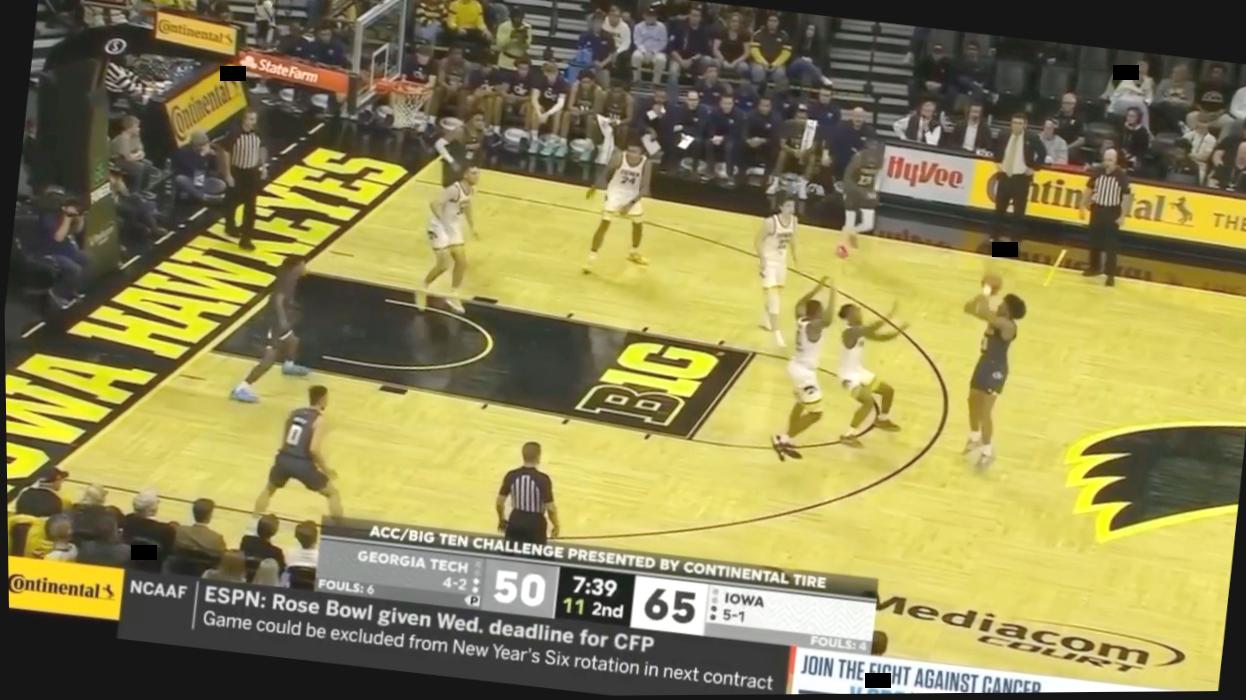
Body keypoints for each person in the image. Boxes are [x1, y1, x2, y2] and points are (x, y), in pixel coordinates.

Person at [251, 385, 344, 519]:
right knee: (333, 494)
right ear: (323, 399)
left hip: (284, 458)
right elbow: (313, 449)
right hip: (302, 464)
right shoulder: (319, 420)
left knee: (268, 490)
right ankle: (339, 529)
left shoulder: (293, 413)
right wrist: (326, 470)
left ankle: (253, 523)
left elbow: (285, 440)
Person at [230, 256, 311, 402]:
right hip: (274, 323)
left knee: (293, 341)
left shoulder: (288, 274)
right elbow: (277, 300)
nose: (306, 268)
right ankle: (241, 388)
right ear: (297, 266)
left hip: (279, 320)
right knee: (269, 359)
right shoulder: (288, 279)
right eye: (304, 265)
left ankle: (288, 366)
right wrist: (282, 320)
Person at [771, 277, 836, 461]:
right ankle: (782, 439)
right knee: (816, 413)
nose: (822, 315)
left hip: (797, 366)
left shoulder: (802, 319)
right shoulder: (814, 326)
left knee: (800, 403)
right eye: (820, 312)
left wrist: (818, 288)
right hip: (805, 374)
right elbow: (829, 319)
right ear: (816, 314)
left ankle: (787, 438)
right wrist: (833, 291)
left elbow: (800, 304)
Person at [962, 283, 1025, 470]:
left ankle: (988, 451)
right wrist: (980, 296)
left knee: (985, 411)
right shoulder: (996, 318)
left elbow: (984, 312)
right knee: (972, 401)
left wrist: (987, 291)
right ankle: (974, 437)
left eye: (1003, 304)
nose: (1000, 305)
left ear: (1009, 310)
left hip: (996, 370)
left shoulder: (1008, 325)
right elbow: (969, 308)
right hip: (983, 364)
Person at [835, 303, 905, 447]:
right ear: (849, 316)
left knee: (888, 391)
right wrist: (890, 314)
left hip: (859, 372)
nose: (860, 313)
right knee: (868, 402)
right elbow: (873, 328)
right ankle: (848, 435)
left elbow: (880, 337)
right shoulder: (849, 332)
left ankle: (882, 420)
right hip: (848, 377)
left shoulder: (859, 330)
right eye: (857, 311)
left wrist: (897, 333)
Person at [584, 139, 652, 273]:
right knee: (604, 223)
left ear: (642, 153)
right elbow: (605, 173)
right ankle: (590, 259)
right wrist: (595, 186)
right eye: (629, 151)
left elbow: (645, 189)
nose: (631, 154)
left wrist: (629, 205)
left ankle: (633, 252)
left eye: (635, 152)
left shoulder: (646, 163)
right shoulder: (619, 157)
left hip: (632, 195)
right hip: (615, 192)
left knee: (638, 224)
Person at [421, 166, 480, 312]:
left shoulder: (471, 190)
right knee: (443, 265)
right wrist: (443, 222)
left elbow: (467, 206)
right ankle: (423, 287)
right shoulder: (454, 189)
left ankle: (453, 295)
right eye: (473, 173)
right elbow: (434, 203)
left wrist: (472, 227)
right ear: (465, 175)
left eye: (478, 173)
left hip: (453, 227)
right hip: (439, 227)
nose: (477, 176)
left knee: (462, 262)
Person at [1079, 148, 1132, 287]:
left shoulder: (1121, 176)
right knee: (1094, 240)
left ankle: (1110, 275)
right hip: (1097, 209)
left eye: (1110, 160)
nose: (1107, 162)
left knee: (1111, 245)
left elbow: (1126, 198)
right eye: (1106, 159)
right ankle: (1094, 267)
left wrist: (1122, 216)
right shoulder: (1097, 172)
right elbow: (1089, 189)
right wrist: (1082, 206)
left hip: (1112, 211)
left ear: (1116, 161)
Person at [216, 111, 268, 251]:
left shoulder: (258, 133)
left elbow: (262, 148)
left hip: (252, 172)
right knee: (231, 201)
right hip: (237, 171)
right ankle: (229, 225)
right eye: (250, 119)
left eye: (254, 119)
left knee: (251, 207)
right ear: (244, 120)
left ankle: (246, 239)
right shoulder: (234, 134)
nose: (253, 122)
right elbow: (225, 152)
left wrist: (263, 166)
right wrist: (228, 174)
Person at [991, 113, 1045, 241]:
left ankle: (1014, 241)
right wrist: (997, 161)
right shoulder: (1004, 134)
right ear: (1011, 124)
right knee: (999, 210)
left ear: (1025, 125)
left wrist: (1034, 168)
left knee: (1018, 213)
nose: (1016, 126)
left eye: (1020, 123)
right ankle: (994, 238)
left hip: (1021, 179)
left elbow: (1042, 152)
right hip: (1005, 177)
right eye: (1014, 123)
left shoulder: (1031, 137)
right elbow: (995, 148)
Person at [496, 442, 560, 544]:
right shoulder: (543, 479)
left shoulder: (511, 475)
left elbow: (499, 503)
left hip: (516, 519)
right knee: (536, 552)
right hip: (535, 522)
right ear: (538, 457)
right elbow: (551, 509)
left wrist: (501, 519)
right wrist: (556, 525)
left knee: (511, 551)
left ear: (523, 455)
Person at [756, 194, 798, 347]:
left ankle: (765, 317)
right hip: (769, 263)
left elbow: (792, 239)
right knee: (774, 296)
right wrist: (762, 260)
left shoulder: (794, 221)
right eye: (788, 206)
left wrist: (796, 256)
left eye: (792, 206)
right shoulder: (770, 222)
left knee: (776, 294)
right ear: (780, 207)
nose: (791, 209)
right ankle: (776, 332)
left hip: (781, 262)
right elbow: (757, 241)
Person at [766, 103, 818, 205]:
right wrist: (793, 151)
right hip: (790, 152)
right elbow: (782, 144)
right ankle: (775, 183)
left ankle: (803, 187)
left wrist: (803, 153)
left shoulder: (811, 127)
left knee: (812, 158)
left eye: (803, 118)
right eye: (799, 117)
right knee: (782, 153)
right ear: (795, 116)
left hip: (804, 154)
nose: (801, 120)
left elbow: (814, 146)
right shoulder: (788, 124)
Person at [841, 140, 884, 245]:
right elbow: (847, 179)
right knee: (849, 223)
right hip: (852, 192)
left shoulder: (881, 160)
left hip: (866, 192)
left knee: (868, 225)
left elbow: (877, 178)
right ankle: (843, 244)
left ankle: (851, 234)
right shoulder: (858, 158)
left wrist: (875, 192)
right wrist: (859, 192)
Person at [109, 115, 160, 196]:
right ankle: (134, 193)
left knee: (148, 164)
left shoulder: (135, 136)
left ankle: (143, 190)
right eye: (136, 127)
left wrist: (139, 154)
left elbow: (140, 149)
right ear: (129, 128)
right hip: (117, 161)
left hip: (131, 158)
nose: (138, 129)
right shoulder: (122, 139)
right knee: (139, 167)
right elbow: (128, 158)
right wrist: (138, 155)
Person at [172, 131, 227, 204]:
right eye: (202, 145)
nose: (205, 147)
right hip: (188, 180)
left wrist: (214, 157)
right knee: (180, 179)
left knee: (221, 185)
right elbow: (198, 178)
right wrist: (202, 157)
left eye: (206, 144)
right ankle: (204, 197)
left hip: (200, 182)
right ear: (194, 146)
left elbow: (215, 173)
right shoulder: (184, 153)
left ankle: (195, 195)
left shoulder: (208, 151)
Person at [667, 4, 712, 88]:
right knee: (673, 71)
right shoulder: (680, 27)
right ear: (689, 16)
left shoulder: (704, 31)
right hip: (678, 58)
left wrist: (691, 60)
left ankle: (700, 88)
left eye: (697, 16)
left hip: (694, 60)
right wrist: (681, 61)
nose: (694, 18)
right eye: (693, 15)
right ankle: (672, 95)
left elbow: (705, 51)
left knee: (707, 60)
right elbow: (670, 47)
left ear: (700, 18)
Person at [527, 61, 568, 155]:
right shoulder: (539, 80)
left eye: (553, 73)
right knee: (535, 109)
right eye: (549, 73)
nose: (551, 76)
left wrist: (547, 114)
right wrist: (539, 113)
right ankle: (534, 139)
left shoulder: (562, 83)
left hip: (554, 106)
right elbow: (534, 98)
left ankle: (552, 140)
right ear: (545, 73)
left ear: (557, 73)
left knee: (558, 112)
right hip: (543, 104)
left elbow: (560, 103)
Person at [122, 489, 176, 558]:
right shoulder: (166, 530)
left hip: (129, 561)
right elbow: (167, 554)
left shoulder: (128, 520)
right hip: (155, 563)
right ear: (154, 509)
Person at [1103, 60, 1153, 128]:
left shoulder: (1148, 81)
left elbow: (1149, 99)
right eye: (1139, 72)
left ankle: (1141, 129)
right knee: (1141, 106)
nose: (1141, 75)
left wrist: (1141, 98)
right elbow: (1115, 93)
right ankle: (1145, 129)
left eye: (1143, 73)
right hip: (1120, 103)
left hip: (1136, 107)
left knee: (1139, 105)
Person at [703, 93, 740, 183]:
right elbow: (710, 127)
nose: (727, 106)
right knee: (709, 143)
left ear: (733, 104)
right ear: (720, 103)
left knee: (730, 146)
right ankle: (710, 172)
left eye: (729, 103)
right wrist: (714, 137)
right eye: (725, 103)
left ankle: (729, 174)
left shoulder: (738, 114)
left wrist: (723, 138)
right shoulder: (714, 113)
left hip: (731, 138)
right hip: (716, 138)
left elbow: (736, 132)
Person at [748, 12, 790, 91]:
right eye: (770, 20)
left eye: (775, 21)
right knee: (758, 71)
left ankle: (776, 96)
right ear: (767, 22)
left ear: (778, 23)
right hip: (759, 63)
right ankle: (755, 94)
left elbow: (786, 52)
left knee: (780, 73)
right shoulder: (758, 34)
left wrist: (775, 64)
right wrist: (763, 63)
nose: (772, 23)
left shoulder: (784, 35)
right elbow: (754, 50)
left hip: (777, 64)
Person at [1187, 63, 1234, 135]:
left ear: (1224, 75)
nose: (1217, 75)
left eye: (1220, 73)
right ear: (1210, 73)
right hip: (1202, 113)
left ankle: (1221, 141)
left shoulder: (1228, 88)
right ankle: (1194, 137)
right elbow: (1196, 102)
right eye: (1215, 72)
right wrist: (1203, 112)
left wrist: (1217, 114)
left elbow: (1228, 106)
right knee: (1190, 116)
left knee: (1229, 121)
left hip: (1218, 116)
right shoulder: (1202, 85)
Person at [829, 107, 873, 181]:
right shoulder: (842, 128)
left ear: (864, 118)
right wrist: (827, 154)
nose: (858, 119)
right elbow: (832, 141)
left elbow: (871, 151)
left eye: (861, 116)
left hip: (859, 166)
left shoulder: (870, 132)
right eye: (856, 116)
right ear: (852, 116)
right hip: (842, 163)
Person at [630, 5, 669, 85]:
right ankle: (637, 80)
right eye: (649, 16)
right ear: (644, 16)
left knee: (661, 59)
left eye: (653, 16)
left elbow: (663, 42)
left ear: (656, 17)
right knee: (636, 56)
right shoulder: (638, 26)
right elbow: (637, 41)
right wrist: (644, 52)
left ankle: (656, 83)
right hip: (642, 51)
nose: (651, 18)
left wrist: (653, 52)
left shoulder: (662, 27)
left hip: (657, 52)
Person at [576, 12, 616, 89]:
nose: (597, 24)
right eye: (596, 22)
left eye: (600, 22)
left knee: (606, 85)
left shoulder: (608, 36)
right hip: (587, 67)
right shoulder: (584, 36)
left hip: (603, 67)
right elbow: (580, 51)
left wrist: (603, 64)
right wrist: (593, 62)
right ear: (592, 22)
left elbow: (612, 53)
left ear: (603, 23)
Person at [1153, 63, 1196, 133]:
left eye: (1179, 73)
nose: (1174, 74)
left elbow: (1190, 103)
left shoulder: (1189, 85)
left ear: (1184, 75)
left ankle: (1176, 128)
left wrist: (1178, 102)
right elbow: (1156, 99)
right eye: (1174, 72)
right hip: (1164, 106)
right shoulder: (1164, 82)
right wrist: (1168, 100)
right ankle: (1179, 127)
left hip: (1180, 108)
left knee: (1174, 110)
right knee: (1165, 106)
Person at [742, 95, 779, 175]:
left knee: (775, 149)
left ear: (771, 107)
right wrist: (748, 140)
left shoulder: (776, 118)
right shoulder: (750, 115)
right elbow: (744, 131)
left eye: (767, 106)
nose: (764, 108)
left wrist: (762, 141)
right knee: (739, 143)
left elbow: (775, 137)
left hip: (766, 144)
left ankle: (768, 175)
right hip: (750, 142)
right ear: (758, 105)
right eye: (762, 105)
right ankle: (741, 172)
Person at [787, 22, 831, 88]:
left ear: (815, 32)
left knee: (806, 75)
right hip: (795, 67)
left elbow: (820, 59)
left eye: (812, 30)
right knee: (802, 62)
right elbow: (792, 55)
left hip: (809, 70)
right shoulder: (798, 41)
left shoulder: (818, 45)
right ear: (805, 30)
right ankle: (821, 77)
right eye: (808, 29)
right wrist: (802, 59)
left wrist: (811, 60)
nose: (809, 31)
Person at [912, 40, 953, 106]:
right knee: (914, 84)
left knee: (951, 89)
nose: (937, 52)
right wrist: (925, 83)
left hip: (941, 87)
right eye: (936, 50)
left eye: (939, 51)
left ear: (942, 52)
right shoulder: (925, 60)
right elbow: (919, 74)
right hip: (926, 85)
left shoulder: (947, 63)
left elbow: (949, 78)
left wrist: (941, 86)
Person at [712, 11, 750, 80]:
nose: (735, 24)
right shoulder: (721, 32)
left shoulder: (745, 35)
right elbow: (715, 49)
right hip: (722, 59)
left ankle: (737, 83)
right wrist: (723, 61)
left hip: (738, 61)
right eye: (733, 21)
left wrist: (735, 62)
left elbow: (746, 53)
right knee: (715, 62)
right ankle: (717, 81)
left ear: (740, 23)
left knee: (744, 67)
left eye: (737, 22)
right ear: (729, 21)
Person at [1050, 92, 1087, 164]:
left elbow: (1081, 140)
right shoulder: (1056, 116)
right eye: (1064, 103)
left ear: (1074, 105)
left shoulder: (1079, 119)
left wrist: (1066, 147)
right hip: (1055, 146)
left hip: (1070, 147)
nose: (1066, 105)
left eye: (1069, 103)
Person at [493, 6, 531, 71]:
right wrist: (511, 37)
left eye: (520, 17)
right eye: (516, 17)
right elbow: (500, 45)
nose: (518, 19)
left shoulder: (527, 27)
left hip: (519, 63)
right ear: (512, 17)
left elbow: (527, 46)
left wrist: (523, 40)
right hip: (504, 62)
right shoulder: (503, 26)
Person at [602, 5, 632, 79]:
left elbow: (626, 43)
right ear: (608, 15)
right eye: (612, 15)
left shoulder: (625, 27)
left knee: (625, 56)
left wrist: (617, 52)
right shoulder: (603, 23)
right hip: (606, 47)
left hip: (619, 48)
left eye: (616, 16)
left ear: (619, 17)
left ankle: (621, 79)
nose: (614, 18)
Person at [1118, 107, 1151, 173]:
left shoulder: (1142, 132)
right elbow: (1118, 141)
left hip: (1135, 156)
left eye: (1132, 116)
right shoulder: (1122, 127)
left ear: (1138, 118)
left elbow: (1142, 149)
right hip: (1121, 154)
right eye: (1128, 115)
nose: (1129, 118)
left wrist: (1132, 156)